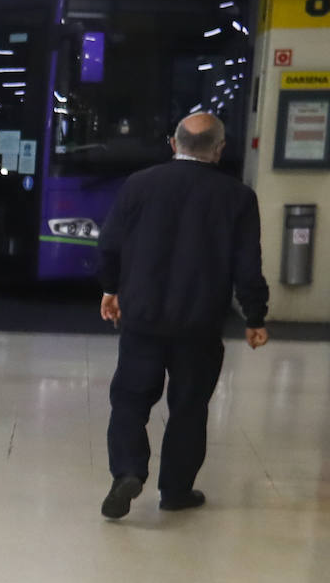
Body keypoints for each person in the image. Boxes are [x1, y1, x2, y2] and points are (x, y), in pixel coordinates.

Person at [97, 112, 270, 520]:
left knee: (130, 400)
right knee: (190, 406)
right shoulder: (238, 197)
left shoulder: (139, 184)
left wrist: (111, 289)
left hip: (142, 316)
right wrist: (255, 317)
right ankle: (176, 490)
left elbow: (109, 244)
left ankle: (127, 472)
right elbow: (248, 266)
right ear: (220, 149)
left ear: (174, 145)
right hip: (200, 323)